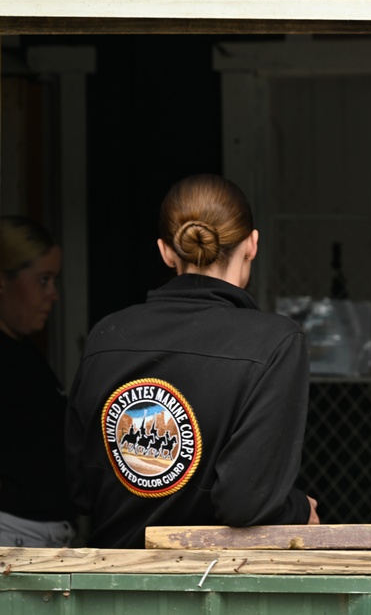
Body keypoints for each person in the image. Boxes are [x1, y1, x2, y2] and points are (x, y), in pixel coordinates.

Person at [65, 174, 319, 548]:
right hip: (213, 587)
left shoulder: (107, 335)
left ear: (166, 251)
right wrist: (300, 508)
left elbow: (80, 489)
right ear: (251, 244)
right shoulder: (276, 342)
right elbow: (245, 503)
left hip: (110, 585)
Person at [0, 216, 76, 547]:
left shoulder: (24, 351)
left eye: (54, 281)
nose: (53, 295)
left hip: (42, 538)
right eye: (43, 280)